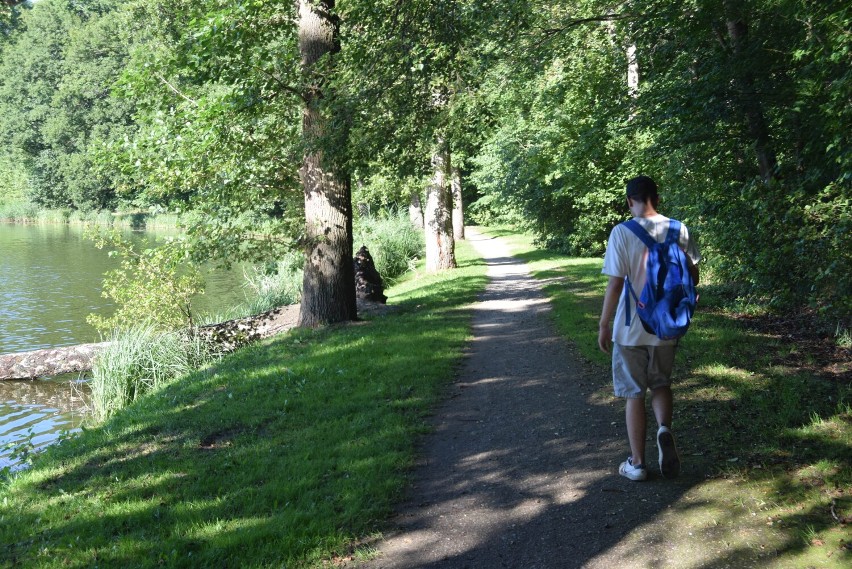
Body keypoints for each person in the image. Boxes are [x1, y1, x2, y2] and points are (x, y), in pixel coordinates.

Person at [598, 175, 700, 481]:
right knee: (661, 384)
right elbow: (692, 277)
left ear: (630, 201)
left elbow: (616, 284)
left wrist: (604, 324)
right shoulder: (678, 228)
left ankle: (638, 463)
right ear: (657, 197)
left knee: (633, 393)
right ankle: (664, 429)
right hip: (667, 325)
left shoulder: (622, 232)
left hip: (631, 328)